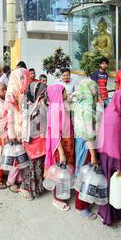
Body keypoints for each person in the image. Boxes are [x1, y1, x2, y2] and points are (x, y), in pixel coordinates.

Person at [97, 90, 121, 225]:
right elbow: (116, 144)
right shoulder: (116, 120)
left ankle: (104, 211)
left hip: (105, 154)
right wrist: (118, 165)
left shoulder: (109, 111)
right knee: (113, 186)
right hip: (113, 158)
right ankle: (110, 216)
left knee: (107, 183)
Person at [73, 78, 101, 220]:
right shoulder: (88, 106)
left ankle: (82, 203)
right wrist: (94, 155)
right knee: (86, 175)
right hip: (87, 145)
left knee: (80, 172)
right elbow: (89, 134)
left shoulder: (78, 103)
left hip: (79, 142)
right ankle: (81, 207)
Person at [45, 83, 74, 211]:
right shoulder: (55, 109)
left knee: (64, 171)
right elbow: (55, 134)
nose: (66, 93)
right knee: (59, 171)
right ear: (58, 94)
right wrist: (61, 152)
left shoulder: (60, 107)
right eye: (63, 91)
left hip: (66, 143)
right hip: (60, 146)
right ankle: (57, 199)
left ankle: (63, 192)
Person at [5, 65, 30, 193]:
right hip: (15, 128)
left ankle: (19, 177)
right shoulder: (11, 92)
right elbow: (9, 114)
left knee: (22, 155)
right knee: (16, 156)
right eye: (21, 77)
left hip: (24, 128)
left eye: (24, 77)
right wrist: (12, 134)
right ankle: (10, 181)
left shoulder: (24, 91)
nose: (23, 79)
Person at [21, 82, 48, 200]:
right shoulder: (28, 106)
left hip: (39, 140)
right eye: (41, 94)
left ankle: (38, 187)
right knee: (32, 165)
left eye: (44, 94)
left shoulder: (41, 105)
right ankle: (28, 188)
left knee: (38, 165)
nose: (43, 96)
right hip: (31, 140)